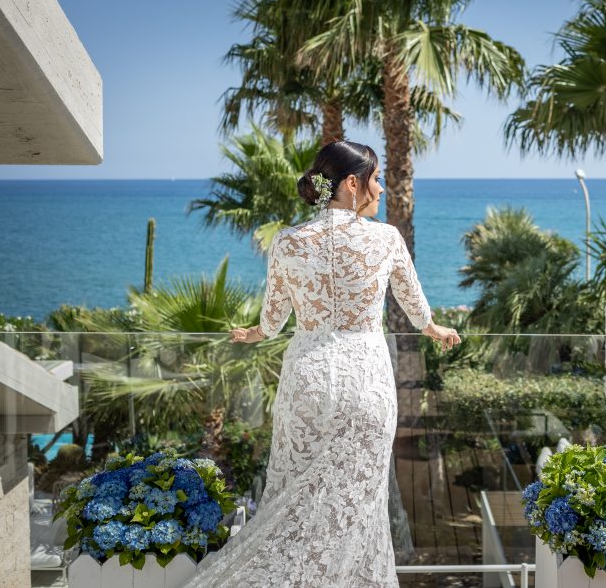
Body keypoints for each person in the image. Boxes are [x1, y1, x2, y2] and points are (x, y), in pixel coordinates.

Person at [183, 140, 460, 587]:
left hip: (307, 379)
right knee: (360, 505)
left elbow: (271, 322)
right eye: (376, 180)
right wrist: (437, 330)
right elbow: (416, 310)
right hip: (366, 380)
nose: (382, 189)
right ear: (352, 184)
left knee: (292, 500)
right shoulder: (386, 238)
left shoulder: (288, 241)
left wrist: (250, 334)